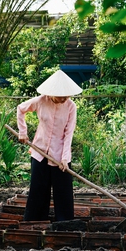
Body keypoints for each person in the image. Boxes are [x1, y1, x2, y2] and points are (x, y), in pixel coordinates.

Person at [16, 70, 82, 222]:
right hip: (39, 152)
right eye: (60, 96)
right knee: (38, 189)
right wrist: (23, 132)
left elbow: (68, 134)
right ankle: (35, 222)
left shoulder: (71, 107)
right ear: (51, 93)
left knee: (63, 191)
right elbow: (21, 109)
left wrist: (65, 158)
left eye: (66, 96)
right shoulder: (40, 101)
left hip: (60, 156)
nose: (63, 99)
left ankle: (64, 223)